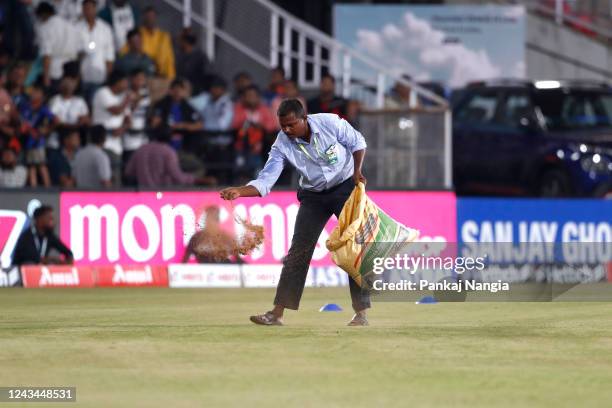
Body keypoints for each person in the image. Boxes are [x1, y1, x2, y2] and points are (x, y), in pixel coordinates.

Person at [220, 99, 370, 326]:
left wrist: (357, 171)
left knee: (354, 248)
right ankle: (276, 314)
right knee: (298, 252)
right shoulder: (281, 144)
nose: (287, 130)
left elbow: (358, 142)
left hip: (345, 188)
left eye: (291, 124)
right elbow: (266, 181)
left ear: (304, 118)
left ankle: (361, 313)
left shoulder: (329, 123)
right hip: (313, 196)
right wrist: (240, 191)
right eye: (283, 126)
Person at [124, 128, 216, 188]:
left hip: (142, 194)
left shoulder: (141, 149)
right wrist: (201, 180)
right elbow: (178, 177)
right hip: (163, 194)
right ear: (170, 138)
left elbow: (128, 172)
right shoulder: (168, 151)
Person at [92, 70, 132, 184]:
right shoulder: (103, 93)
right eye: (124, 82)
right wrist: (127, 100)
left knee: (115, 179)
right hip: (101, 143)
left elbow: (129, 121)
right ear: (117, 82)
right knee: (101, 178)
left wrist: (122, 129)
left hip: (116, 146)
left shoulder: (123, 97)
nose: (126, 85)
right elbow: (116, 111)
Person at [231, 85, 277, 180]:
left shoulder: (264, 109)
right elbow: (234, 124)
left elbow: (272, 126)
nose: (251, 98)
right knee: (240, 165)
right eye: (248, 96)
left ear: (258, 97)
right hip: (242, 146)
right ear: (243, 98)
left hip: (262, 147)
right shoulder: (239, 108)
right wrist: (247, 123)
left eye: (253, 96)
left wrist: (259, 126)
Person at [76, 0, 115, 102]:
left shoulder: (105, 28)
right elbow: (73, 53)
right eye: (85, 8)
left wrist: (109, 77)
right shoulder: (76, 28)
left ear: (95, 9)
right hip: (81, 76)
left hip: (100, 75)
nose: (88, 11)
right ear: (82, 10)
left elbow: (109, 55)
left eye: (90, 8)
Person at [34, 2, 80, 89]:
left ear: (43, 14)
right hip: (71, 72)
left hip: (54, 72)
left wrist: (46, 79)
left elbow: (47, 54)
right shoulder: (70, 26)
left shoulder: (46, 27)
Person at [19, 83, 56, 187]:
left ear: (42, 96)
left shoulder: (43, 109)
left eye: (36, 92)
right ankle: (33, 189)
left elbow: (55, 120)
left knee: (41, 164)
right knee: (31, 165)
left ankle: (48, 188)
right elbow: (22, 122)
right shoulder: (25, 107)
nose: (33, 94)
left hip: (38, 141)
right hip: (28, 140)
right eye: (33, 91)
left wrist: (46, 130)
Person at [150, 78, 202, 150]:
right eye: (175, 90)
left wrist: (183, 126)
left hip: (183, 144)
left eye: (180, 90)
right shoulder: (161, 104)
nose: (177, 93)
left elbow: (199, 125)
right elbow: (154, 124)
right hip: (164, 142)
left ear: (184, 92)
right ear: (170, 91)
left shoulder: (187, 107)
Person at [48, 76, 90, 148]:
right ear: (61, 87)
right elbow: (54, 119)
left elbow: (85, 119)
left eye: (70, 86)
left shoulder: (79, 101)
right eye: (66, 86)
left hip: (75, 132)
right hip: (59, 132)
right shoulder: (55, 100)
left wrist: (80, 122)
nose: (68, 88)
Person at [138, 6, 175, 79]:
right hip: (144, 75)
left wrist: (171, 78)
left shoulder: (164, 36)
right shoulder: (138, 34)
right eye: (148, 17)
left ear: (156, 18)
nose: (150, 19)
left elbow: (169, 59)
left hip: (161, 75)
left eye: (152, 16)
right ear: (144, 18)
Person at [123, 68, 150, 168]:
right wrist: (136, 102)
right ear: (131, 79)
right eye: (137, 78)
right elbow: (126, 112)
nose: (140, 81)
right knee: (130, 166)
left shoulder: (145, 93)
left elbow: (146, 112)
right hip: (129, 138)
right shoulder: (126, 93)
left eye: (142, 79)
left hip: (142, 137)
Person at [176, 27, 209, 95]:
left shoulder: (200, 57)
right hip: (180, 92)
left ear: (185, 41)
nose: (178, 42)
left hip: (196, 94)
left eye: (180, 39)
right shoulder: (178, 56)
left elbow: (206, 76)